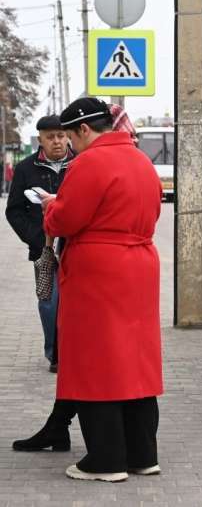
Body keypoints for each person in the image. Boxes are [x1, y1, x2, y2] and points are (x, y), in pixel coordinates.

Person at [40, 98, 163, 482]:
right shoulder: (141, 159)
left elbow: (66, 219)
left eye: (71, 136)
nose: (70, 144)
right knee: (135, 360)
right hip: (140, 262)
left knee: (95, 361)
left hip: (99, 268)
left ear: (83, 130)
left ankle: (106, 460)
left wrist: (50, 207)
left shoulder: (90, 163)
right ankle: (143, 455)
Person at [5, 115, 76, 372]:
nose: (57, 142)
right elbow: (14, 211)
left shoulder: (81, 163)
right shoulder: (26, 168)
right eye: (50, 137)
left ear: (68, 136)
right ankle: (54, 354)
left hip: (76, 247)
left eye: (61, 135)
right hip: (43, 250)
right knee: (49, 300)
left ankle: (74, 351)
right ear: (40, 140)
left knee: (76, 302)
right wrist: (37, 238)